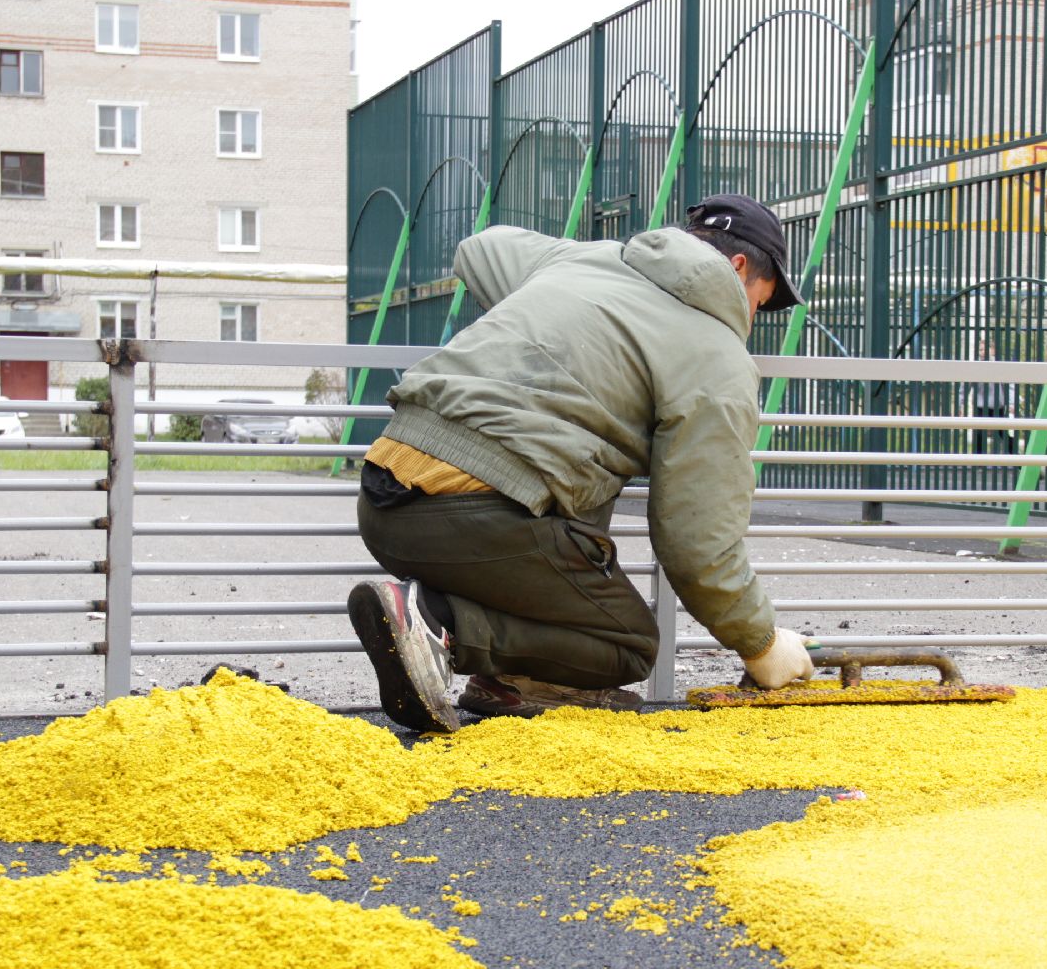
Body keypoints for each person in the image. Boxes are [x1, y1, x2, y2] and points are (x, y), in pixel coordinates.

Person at [346, 194, 818, 732]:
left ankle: (513, 683)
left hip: (384, 494)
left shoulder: (583, 260)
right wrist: (760, 643)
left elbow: (481, 249)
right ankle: (435, 623)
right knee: (627, 644)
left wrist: (561, 303)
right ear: (737, 268)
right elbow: (697, 541)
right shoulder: (718, 357)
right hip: (478, 517)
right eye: (762, 300)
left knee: (565, 550)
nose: (754, 318)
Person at [965, 337, 1013, 454]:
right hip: (981, 405)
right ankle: (978, 461)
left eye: (985, 349)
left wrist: (1011, 402)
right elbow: (965, 385)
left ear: (992, 350)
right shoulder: (974, 366)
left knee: (1002, 432)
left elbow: (1010, 384)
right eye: (980, 350)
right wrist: (961, 403)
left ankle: (1017, 457)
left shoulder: (998, 365)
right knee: (980, 433)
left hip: (997, 405)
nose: (982, 352)